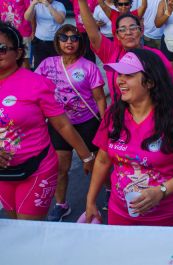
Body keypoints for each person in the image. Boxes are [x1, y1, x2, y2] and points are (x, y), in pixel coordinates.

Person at [85, 49, 173, 225]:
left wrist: (161, 191)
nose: (120, 80)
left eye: (129, 75)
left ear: (149, 82)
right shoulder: (113, 114)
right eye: (119, 74)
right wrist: (90, 200)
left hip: (165, 219)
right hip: (119, 215)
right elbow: (103, 161)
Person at [0, 22, 95, 221]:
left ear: (18, 53)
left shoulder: (36, 83)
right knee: (13, 226)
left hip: (37, 169)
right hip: (3, 174)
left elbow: (61, 124)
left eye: (2, 49)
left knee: (27, 232)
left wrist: (86, 156)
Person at [78, 0, 173, 128]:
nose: (128, 32)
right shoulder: (110, 54)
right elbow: (92, 33)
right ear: (117, 36)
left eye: (133, 28)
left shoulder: (155, 55)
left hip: (153, 119)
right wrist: (82, 3)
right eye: (122, 29)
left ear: (141, 31)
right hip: (121, 119)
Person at [35, 24, 106, 221]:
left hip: (87, 123)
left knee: (97, 165)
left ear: (79, 42)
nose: (69, 42)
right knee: (60, 168)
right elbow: (35, 92)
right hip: (59, 125)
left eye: (74, 38)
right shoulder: (47, 65)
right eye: (64, 38)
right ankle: (61, 205)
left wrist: (104, 124)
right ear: (57, 42)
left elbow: (100, 98)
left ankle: (109, 191)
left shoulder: (88, 67)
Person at [24, 0, 66, 69]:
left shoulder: (59, 5)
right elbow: (27, 18)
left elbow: (60, 20)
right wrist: (33, 4)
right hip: (39, 41)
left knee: (55, 67)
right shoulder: (37, 5)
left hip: (55, 42)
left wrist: (49, 6)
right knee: (39, 66)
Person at [0, 0, 33, 69]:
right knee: (5, 56)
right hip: (4, 34)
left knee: (24, 58)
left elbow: (32, 14)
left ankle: (26, 79)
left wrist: (33, 31)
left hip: (23, 33)